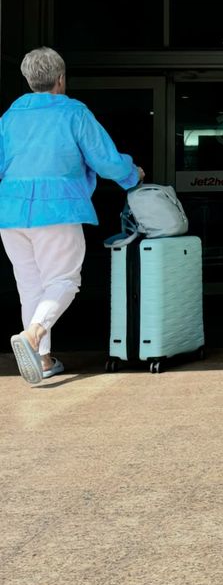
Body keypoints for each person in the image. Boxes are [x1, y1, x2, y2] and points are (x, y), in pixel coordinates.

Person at [0, 47, 143, 384]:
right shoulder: (74, 113)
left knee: (30, 286)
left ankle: (44, 360)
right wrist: (132, 174)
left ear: (28, 80)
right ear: (61, 79)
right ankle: (33, 334)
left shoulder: (9, 117)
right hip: (58, 209)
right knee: (64, 281)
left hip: (11, 213)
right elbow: (105, 160)